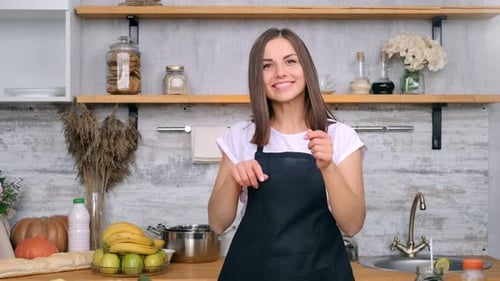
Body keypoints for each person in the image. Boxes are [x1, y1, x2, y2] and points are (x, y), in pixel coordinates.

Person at [208, 27, 366, 281]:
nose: (280, 72)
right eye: (267, 66)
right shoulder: (240, 136)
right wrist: (233, 180)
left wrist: (328, 168)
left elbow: (353, 224)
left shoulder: (341, 137)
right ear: (257, 77)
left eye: (291, 61)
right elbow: (217, 223)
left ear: (306, 70)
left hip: (322, 274)